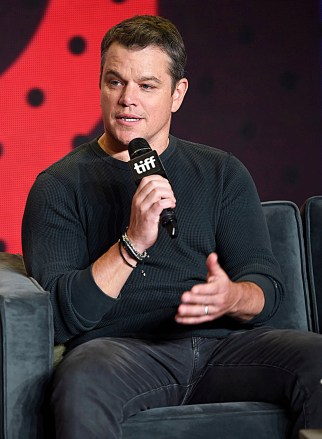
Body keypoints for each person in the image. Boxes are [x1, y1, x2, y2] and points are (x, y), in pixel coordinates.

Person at [22, 14, 322, 439]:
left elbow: (267, 285)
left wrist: (231, 296)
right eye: (115, 82)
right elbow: (58, 315)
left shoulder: (221, 171)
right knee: (81, 381)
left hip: (225, 348)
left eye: (147, 86)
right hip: (121, 352)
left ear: (177, 94)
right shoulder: (58, 186)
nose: (128, 99)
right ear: (101, 86)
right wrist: (133, 242)